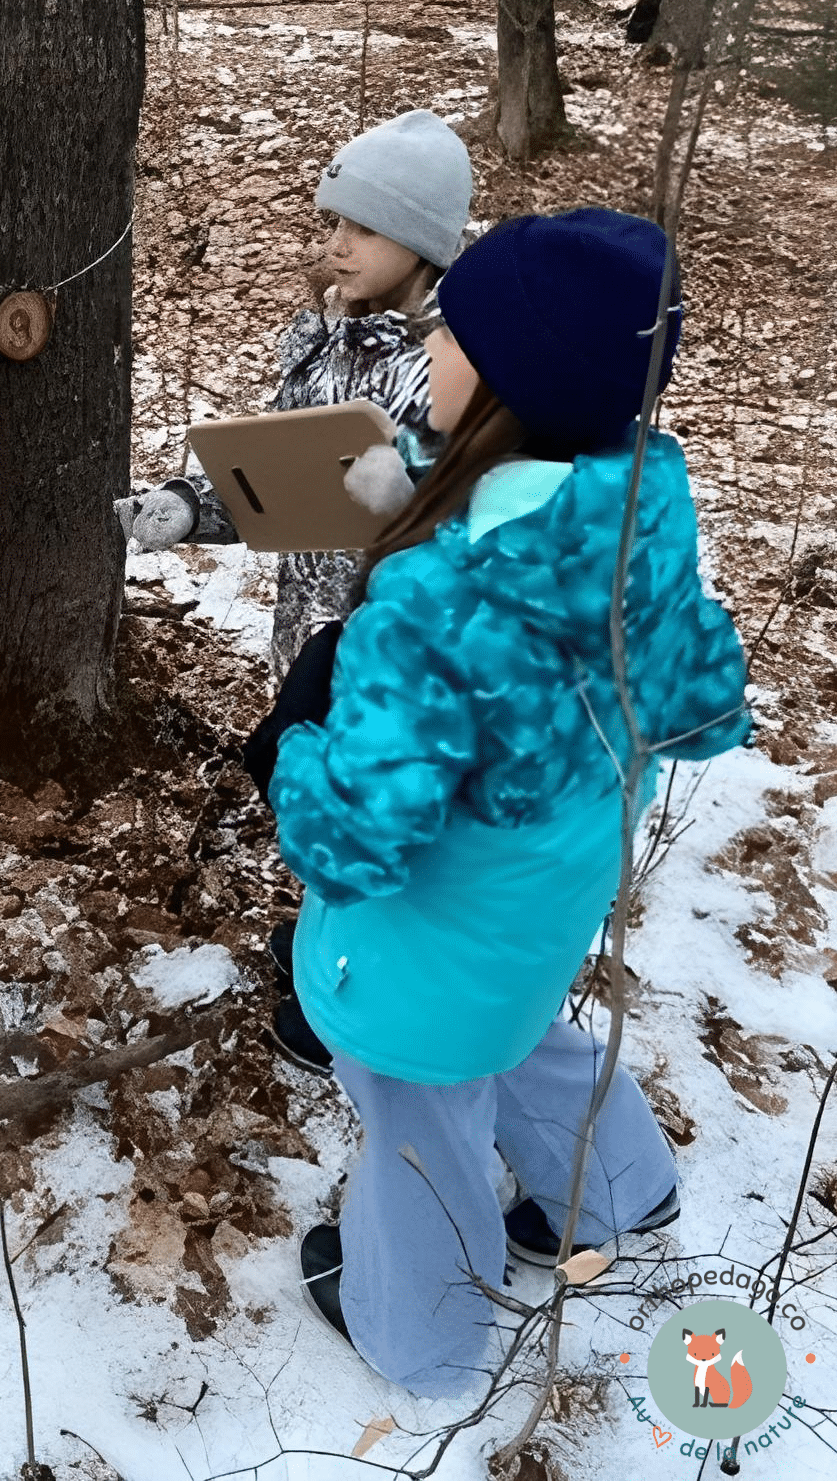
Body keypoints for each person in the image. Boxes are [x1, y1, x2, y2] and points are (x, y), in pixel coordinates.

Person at [265, 209, 748, 1398]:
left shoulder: (433, 605)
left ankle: (417, 1332)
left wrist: (291, 744)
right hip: (548, 894)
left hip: (419, 949)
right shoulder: (637, 520)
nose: (425, 350)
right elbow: (705, 707)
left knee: (419, 1127)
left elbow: (355, 839)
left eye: (446, 333)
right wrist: (414, 486)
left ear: (503, 375)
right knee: (526, 1031)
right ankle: (618, 1191)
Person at [117, 111, 472, 1072]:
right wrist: (191, 508)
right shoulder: (318, 340)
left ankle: (350, 1007)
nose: (337, 244)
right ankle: (328, 953)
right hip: (306, 633)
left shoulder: (459, 360)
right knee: (313, 802)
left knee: (379, 813)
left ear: (425, 241)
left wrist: (411, 511)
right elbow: (274, 485)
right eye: (333, 221)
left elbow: (480, 521)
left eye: (363, 225)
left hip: (395, 645)